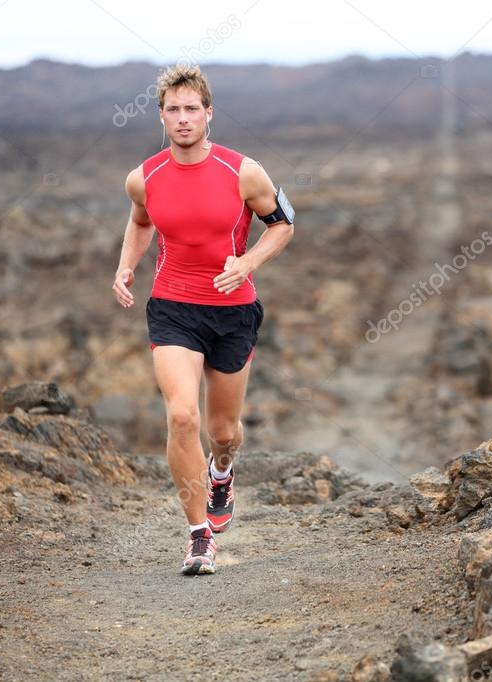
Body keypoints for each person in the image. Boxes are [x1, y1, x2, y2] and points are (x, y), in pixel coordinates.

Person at [112, 64, 294, 575]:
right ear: (161, 116)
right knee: (182, 416)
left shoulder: (243, 172)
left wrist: (248, 263)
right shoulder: (143, 177)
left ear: (209, 114)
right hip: (172, 309)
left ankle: (222, 471)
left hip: (234, 311)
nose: (183, 118)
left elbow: (283, 225)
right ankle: (199, 537)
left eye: (192, 108)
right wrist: (127, 265)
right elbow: (140, 221)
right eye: (173, 109)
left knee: (223, 430)